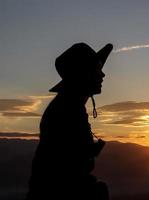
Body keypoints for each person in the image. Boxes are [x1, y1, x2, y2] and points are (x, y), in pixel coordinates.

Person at [26, 43, 113, 200]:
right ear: (83, 74)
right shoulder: (68, 110)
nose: (103, 75)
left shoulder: (69, 106)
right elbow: (68, 173)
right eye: (97, 69)